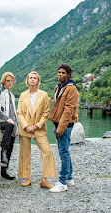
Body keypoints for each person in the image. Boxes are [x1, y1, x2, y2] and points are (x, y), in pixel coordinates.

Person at [17, 71, 57, 188]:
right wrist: (26, 126)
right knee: (25, 153)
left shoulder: (44, 95)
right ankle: (27, 178)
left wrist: (37, 126)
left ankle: (44, 180)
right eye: (31, 78)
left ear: (38, 81)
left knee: (47, 151)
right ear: (27, 81)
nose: (33, 80)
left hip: (39, 128)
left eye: (35, 78)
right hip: (25, 128)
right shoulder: (22, 95)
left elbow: (46, 112)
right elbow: (19, 112)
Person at [48, 63, 78, 193]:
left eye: (63, 73)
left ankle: (62, 182)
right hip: (59, 124)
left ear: (68, 74)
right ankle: (69, 178)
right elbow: (56, 108)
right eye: (59, 72)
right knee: (64, 151)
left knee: (63, 152)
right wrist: (56, 125)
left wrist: (60, 128)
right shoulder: (59, 87)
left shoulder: (71, 89)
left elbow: (68, 111)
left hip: (65, 125)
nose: (60, 74)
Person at [0, 72, 18, 180]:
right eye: (8, 80)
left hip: (11, 125)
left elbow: (14, 112)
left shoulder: (11, 95)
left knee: (11, 146)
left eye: (12, 81)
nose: (10, 82)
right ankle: (3, 152)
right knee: (6, 146)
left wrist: (16, 126)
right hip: (1, 122)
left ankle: (4, 170)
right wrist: (7, 119)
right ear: (4, 81)